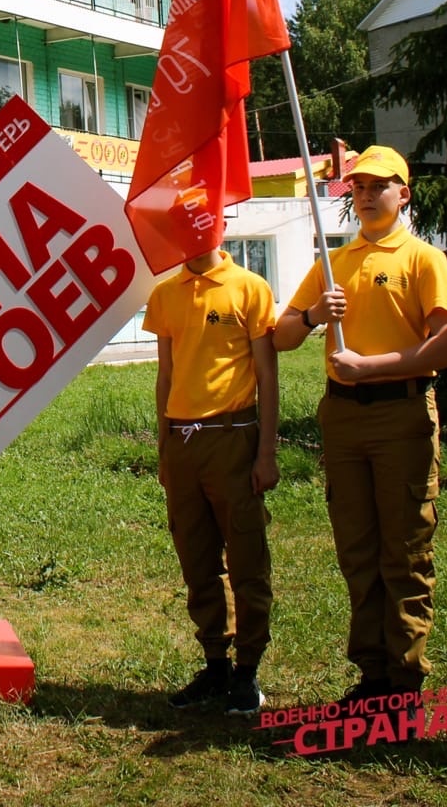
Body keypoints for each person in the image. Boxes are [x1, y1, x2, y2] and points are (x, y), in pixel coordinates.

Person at [272, 145, 447, 705]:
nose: (367, 194)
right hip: (344, 420)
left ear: (403, 194)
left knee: (403, 550)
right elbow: (281, 336)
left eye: (380, 185)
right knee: (357, 549)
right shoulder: (336, 262)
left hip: (401, 413)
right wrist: (312, 316)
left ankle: (404, 683)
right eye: (358, 187)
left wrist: (371, 366)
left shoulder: (424, 259)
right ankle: (372, 676)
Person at [143, 238, 280, 716]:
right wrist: (163, 447)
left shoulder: (249, 287)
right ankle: (215, 663)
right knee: (196, 557)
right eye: (184, 225)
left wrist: (266, 451)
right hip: (182, 442)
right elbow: (166, 373)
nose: (193, 233)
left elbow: (267, 373)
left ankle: (247, 671)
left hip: (233, 435)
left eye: (203, 222)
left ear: (219, 225)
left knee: (245, 555)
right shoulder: (165, 293)